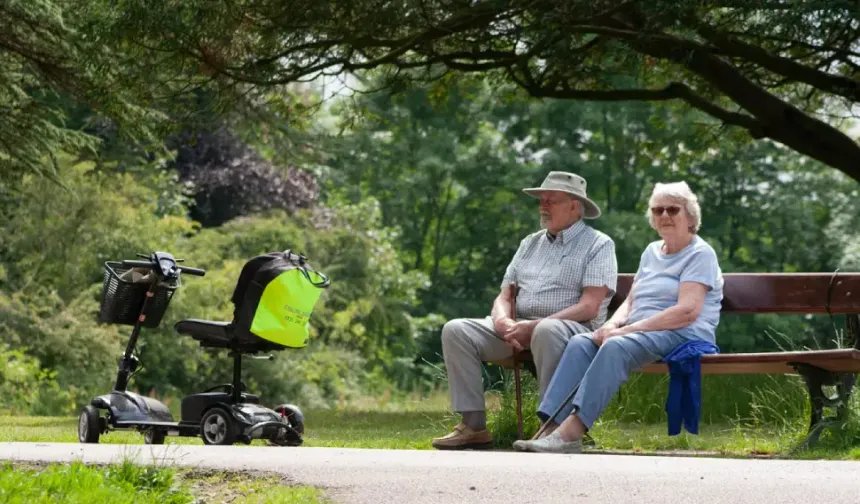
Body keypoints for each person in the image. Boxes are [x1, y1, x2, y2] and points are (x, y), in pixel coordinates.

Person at [513, 181, 724, 454]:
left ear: (690, 217)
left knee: (614, 346)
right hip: (643, 331)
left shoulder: (700, 253)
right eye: (657, 210)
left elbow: (687, 312)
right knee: (581, 344)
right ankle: (551, 428)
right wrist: (612, 324)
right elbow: (633, 299)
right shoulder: (651, 252)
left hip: (683, 332)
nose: (664, 216)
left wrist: (625, 332)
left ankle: (571, 434)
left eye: (673, 210)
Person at [431, 171, 618, 450]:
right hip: (520, 329)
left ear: (574, 206)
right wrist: (504, 321)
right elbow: (505, 294)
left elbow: (590, 306)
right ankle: (473, 426)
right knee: (457, 330)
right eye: (541, 200)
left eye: (551, 200)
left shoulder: (599, 244)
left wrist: (534, 325)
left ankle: (553, 428)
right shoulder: (530, 243)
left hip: (572, 331)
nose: (543, 205)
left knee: (547, 329)